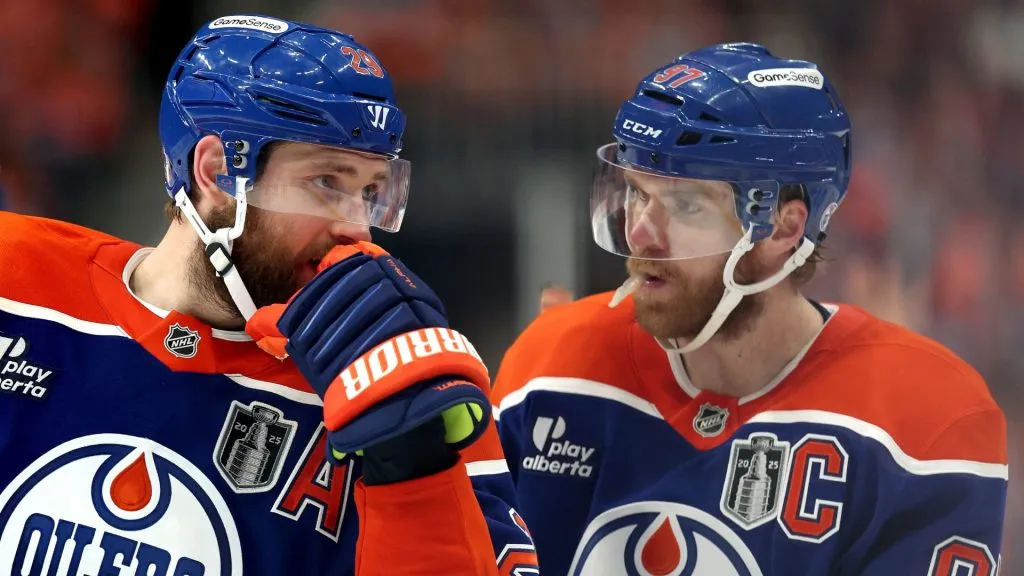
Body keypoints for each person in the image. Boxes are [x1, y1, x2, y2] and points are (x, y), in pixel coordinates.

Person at [0, 14, 538, 575]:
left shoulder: (406, 384)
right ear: (214, 173)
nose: (356, 227)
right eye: (327, 183)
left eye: (371, 190)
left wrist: (413, 467)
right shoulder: (14, 283)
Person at [492, 43, 1007, 575]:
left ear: (784, 229)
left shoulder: (926, 420)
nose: (640, 234)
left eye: (685, 205)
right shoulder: (553, 365)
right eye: (638, 194)